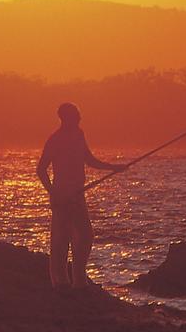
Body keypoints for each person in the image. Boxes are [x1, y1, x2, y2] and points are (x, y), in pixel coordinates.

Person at [36, 102, 126, 289]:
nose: (79, 118)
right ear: (65, 118)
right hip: (62, 194)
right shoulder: (55, 139)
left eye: (78, 115)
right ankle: (60, 282)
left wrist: (113, 168)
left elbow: (89, 159)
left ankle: (78, 279)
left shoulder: (79, 135)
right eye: (75, 116)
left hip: (78, 194)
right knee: (61, 239)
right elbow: (41, 170)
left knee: (85, 235)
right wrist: (53, 193)